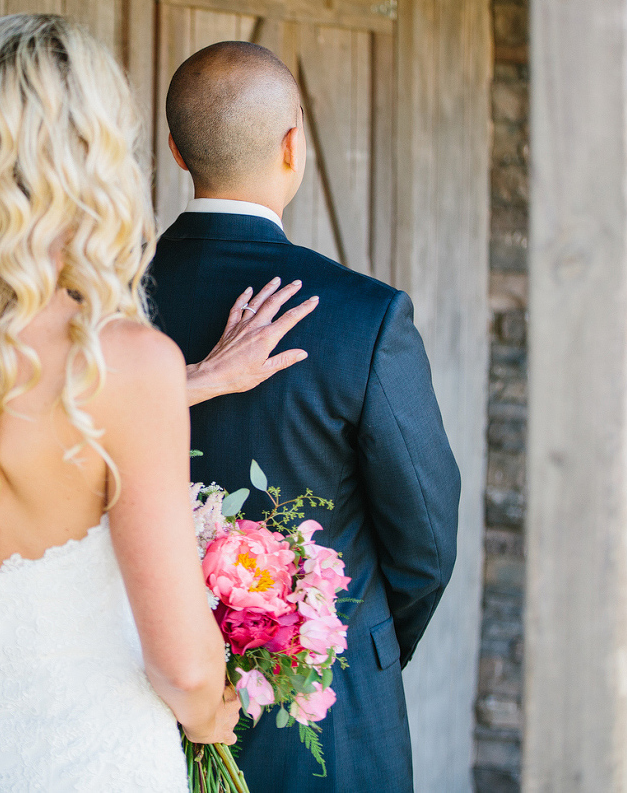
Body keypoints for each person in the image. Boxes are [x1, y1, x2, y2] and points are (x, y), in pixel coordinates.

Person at [0, 16, 313, 791]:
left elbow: (12, 426)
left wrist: (192, 383)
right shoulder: (128, 363)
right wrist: (210, 713)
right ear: (93, 155)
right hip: (85, 760)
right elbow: (182, 664)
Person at [147, 41, 462, 792]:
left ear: (174, 151)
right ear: (294, 145)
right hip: (328, 715)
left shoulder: (107, 304)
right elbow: (425, 537)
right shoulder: (364, 316)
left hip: (144, 697)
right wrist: (349, 642)